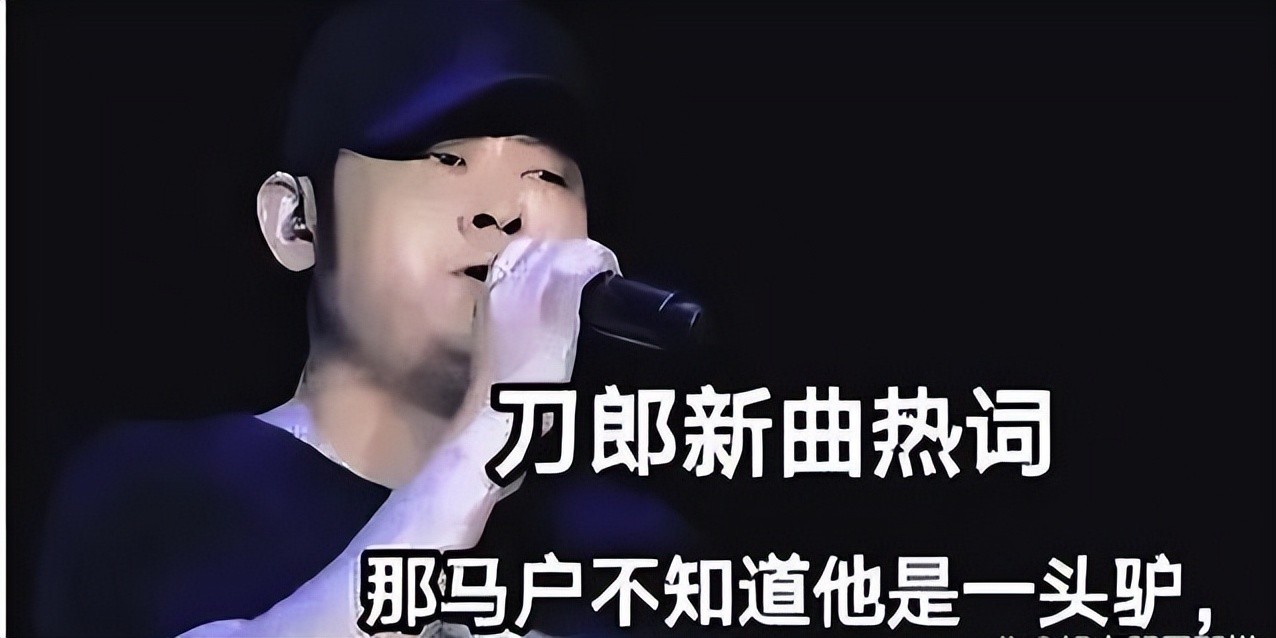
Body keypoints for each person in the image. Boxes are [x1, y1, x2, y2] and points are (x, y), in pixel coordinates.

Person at [35, 1, 685, 636]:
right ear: (295, 222)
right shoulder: (159, 496)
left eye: (547, 175)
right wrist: (490, 434)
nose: (503, 211)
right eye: (445, 159)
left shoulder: (631, 555)